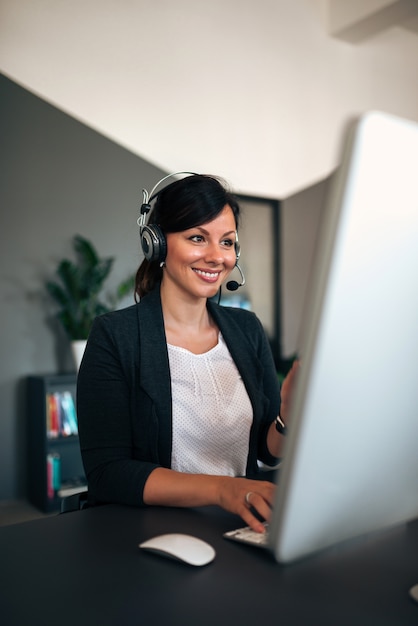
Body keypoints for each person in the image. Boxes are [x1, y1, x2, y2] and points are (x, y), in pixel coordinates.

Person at [77, 173, 299, 533]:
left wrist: (288, 417)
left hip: (241, 526)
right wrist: (223, 490)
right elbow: (108, 472)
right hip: (151, 532)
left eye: (226, 242)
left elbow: (265, 450)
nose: (216, 257)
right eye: (197, 238)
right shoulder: (115, 335)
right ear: (158, 245)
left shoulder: (247, 330)